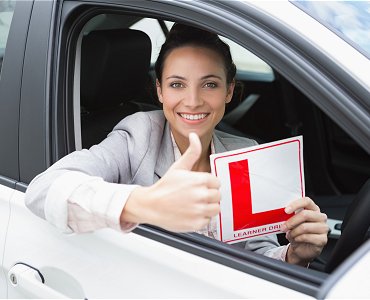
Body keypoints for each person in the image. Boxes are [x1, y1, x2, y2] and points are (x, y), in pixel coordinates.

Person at [25, 23, 328, 267]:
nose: (193, 101)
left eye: (209, 84)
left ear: (229, 90)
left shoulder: (243, 153)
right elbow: (43, 190)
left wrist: (293, 255)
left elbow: (256, 254)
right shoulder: (139, 135)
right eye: (176, 84)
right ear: (159, 90)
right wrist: (144, 204)